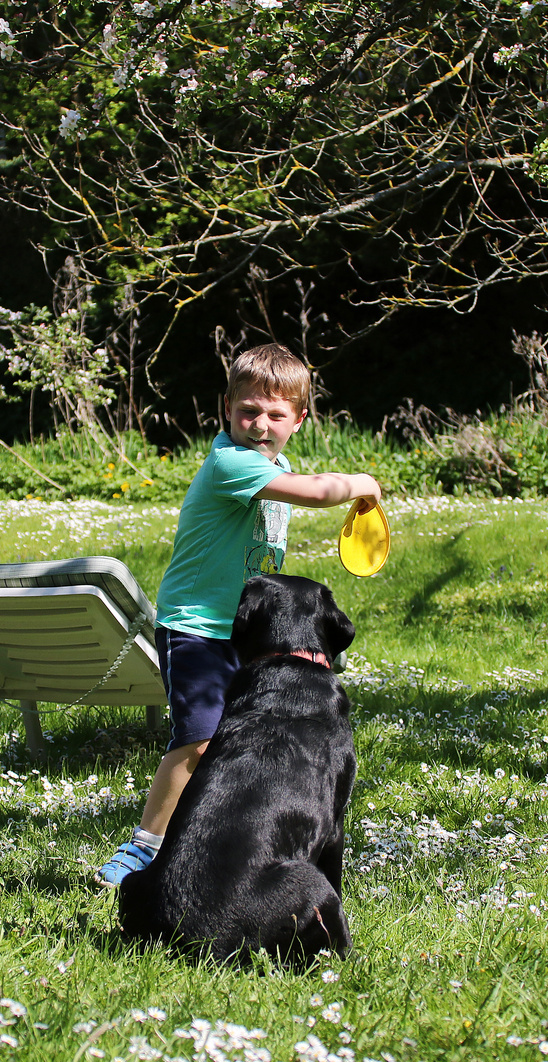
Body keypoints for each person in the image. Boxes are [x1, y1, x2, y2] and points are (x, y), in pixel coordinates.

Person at [94, 343, 382, 887]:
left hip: (246, 634)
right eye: (249, 411)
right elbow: (317, 493)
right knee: (197, 740)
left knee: (242, 741)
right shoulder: (229, 463)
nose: (260, 425)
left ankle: (215, 839)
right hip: (196, 628)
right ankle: (145, 847)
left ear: (299, 418)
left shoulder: (276, 464)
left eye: (276, 415)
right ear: (227, 408)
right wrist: (360, 485)